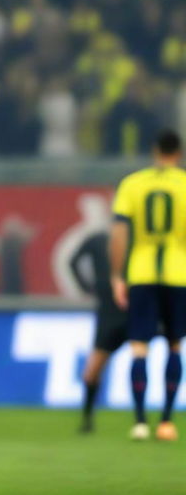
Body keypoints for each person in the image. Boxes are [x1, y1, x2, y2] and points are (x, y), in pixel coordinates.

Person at [110, 130, 186, 441]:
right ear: (178, 153)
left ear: (155, 150)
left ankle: (140, 422)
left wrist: (118, 275)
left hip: (141, 273)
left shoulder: (133, 183)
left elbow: (119, 233)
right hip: (178, 272)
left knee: (139, 347)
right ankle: (167, 421)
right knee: (174, 344)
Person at [70, 231, 127, 432]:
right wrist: (87, 287)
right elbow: (73, 261)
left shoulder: (135, 240)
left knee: (93, 371)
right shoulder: (99, 240)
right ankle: (87, 419)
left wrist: (88, 287)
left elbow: (73, 261)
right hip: (118, 311)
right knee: (93, 370)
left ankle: (150, 421)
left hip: (128, 309)